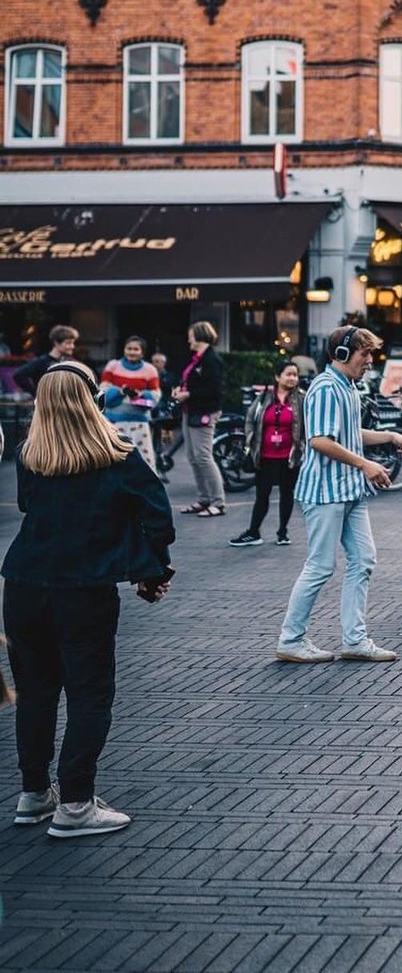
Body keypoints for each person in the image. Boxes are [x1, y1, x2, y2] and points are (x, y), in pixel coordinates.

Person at [2, 360, 174, 837]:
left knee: (35, 693)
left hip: (23, 584)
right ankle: (76, 802)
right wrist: (152, 570)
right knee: (89, 694)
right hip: (83, 589)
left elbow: (28, 506)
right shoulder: (116, 455)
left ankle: (35, 793)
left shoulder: (29, 455)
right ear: (92, 400)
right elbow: (158, 515)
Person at [276, 326, 402, 663]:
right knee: (320, 566)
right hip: (326, 492)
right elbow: (320, 440)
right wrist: (365, 464)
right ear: (341, 354)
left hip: (348, 490)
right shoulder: (325, 387)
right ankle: (291, 640)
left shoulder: (347, 386)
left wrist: (390, 436)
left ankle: (354, 640)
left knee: (363, 560)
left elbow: (348, 432)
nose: (370, 361)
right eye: (364, 354)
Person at [231, 360, 305, 548]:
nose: (292, 378)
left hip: (289, 457)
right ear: (277, 377)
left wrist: (302, 445)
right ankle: (253, 532)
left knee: (287, 493)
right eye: (288, 374)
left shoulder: (301, 399)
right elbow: (250, 418)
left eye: (295, 375)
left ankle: (283, 533)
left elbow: (307, 424)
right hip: (265, 456)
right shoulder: (264, 397)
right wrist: (250, 439)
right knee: (262, 495)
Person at [173, 321, 227, 517]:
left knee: (203, 456)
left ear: (199, 335)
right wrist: (180, 389)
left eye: (191, 335)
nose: (188, 339)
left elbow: (215, 390)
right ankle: (204, 498)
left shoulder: (211, 360)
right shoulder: (197, 359)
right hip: (191, 410)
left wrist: (188, 394)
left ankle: (218, 502)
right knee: (193, 457)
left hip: (203, 411)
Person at [99, 335, 161, 472]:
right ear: (124, 350)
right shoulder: (113, 366)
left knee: (143, 462)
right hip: (113, 422)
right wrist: (120, 392)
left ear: (142, 352)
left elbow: (155, 397)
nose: (132, 352)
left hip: (139, 423)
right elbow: (103, 394)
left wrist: (141, 396)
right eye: (129, 348)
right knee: (113, 461)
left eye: (136, 349)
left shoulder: (150, 370)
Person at [13, 325, 79, 397]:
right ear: (56, 343)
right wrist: (36, 393)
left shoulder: (69, 362)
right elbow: (19, 375)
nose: (72, 346)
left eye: (73, 343)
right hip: (46, 402)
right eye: (68, 343)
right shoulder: (42, 362)